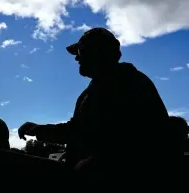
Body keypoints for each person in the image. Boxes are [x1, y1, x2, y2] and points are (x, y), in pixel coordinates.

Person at [18, 28, 171, 192]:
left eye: (80, 51)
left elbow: (132, 140)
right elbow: (79, 129)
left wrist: (99, 163)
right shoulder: (98, 88)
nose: (77, 58)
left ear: (98, 52)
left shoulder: (127, 83)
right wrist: (40, 130)